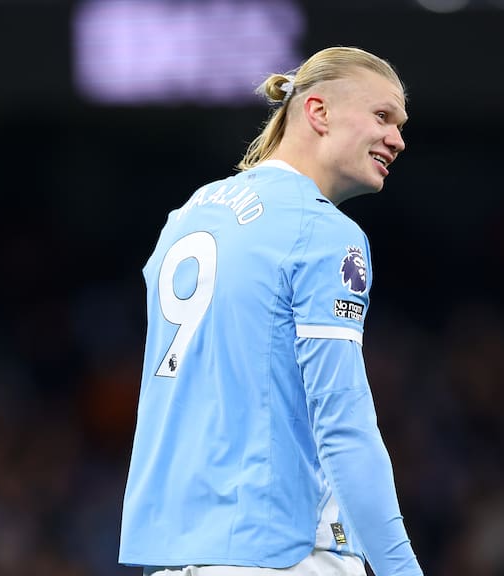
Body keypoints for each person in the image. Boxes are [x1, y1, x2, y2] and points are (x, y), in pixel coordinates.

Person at [118, 46, 423, 576]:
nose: (398, 139)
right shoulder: (323, 232)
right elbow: (344, 428)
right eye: (382, 116)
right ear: (318, 112)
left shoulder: (186, 217)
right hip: (285, 552)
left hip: (175, 559)